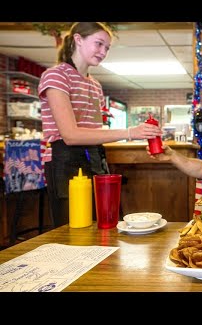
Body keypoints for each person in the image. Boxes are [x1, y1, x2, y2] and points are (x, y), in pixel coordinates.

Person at [38, 22, 162, 227]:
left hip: (94, 158)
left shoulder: (95, 85)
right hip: (64, 160)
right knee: (73, 229)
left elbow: (94, 132)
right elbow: (70, 135)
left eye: (107, 47)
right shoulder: (56, 76)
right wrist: (130, 132)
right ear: (78, 39)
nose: (103, 52)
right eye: (99, 44)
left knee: (102, 226)